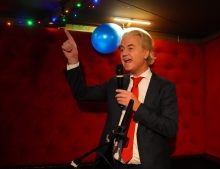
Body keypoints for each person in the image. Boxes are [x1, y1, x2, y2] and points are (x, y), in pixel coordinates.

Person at [62, 28, 178, 169]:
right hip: (113, 164)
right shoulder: (115, 83)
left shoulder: (164, 87)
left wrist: (137, 106)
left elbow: (170, 129)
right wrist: (73, 60)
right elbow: (81, 93)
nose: (124, 54)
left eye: (130, 48)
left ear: (146, 52)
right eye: (122, 49)